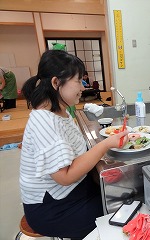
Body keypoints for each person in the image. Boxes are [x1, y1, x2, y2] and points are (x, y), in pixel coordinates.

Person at [20, 50, 129, 239]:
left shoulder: (61, 111)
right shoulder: (44, 121)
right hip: (52, 207)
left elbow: (76, 155)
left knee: (121, 196)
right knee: (117, 212)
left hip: (70, 192)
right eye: (78, 81)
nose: (83, 86)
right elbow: (65, 177)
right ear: (56, 83)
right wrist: (105, 145)